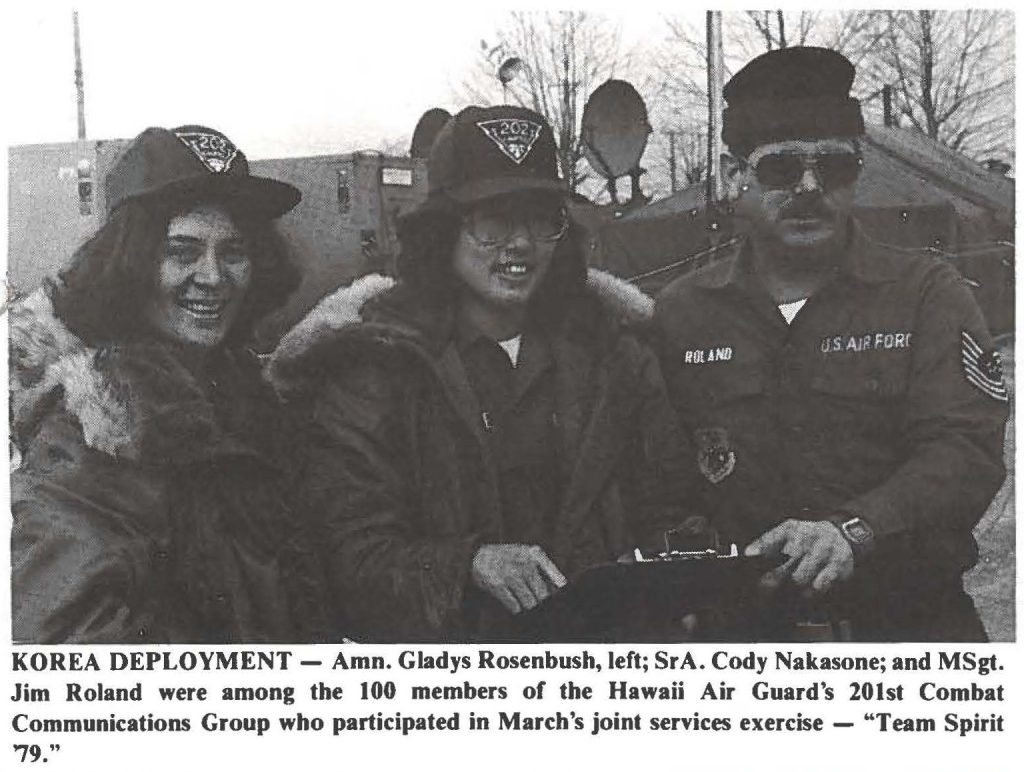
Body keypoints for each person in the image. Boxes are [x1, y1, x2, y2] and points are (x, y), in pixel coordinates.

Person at [272, 105, 697, 641]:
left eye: (542, 219)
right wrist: (466, 564)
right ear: (443, 231)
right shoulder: (376, 368)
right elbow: (348, 554)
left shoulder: (618, 358)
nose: (519, 244)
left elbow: (673, 509)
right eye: (492, 220)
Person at [654, 47, 1009, 642]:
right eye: (780, 168)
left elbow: (965, 451)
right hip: (746, 641)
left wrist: (855, 531)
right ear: (730, 172)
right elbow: (657, 476)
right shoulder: (682, 314)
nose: (810, 186)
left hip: (906, 631)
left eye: (835, 166)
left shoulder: (927, 295)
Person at [11, 125, 323, 643]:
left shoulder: (245, 392)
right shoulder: (91, 427)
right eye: (182, 251)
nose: (213, 276)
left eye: (234, 251)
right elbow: (67, 643)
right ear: (130, 263)